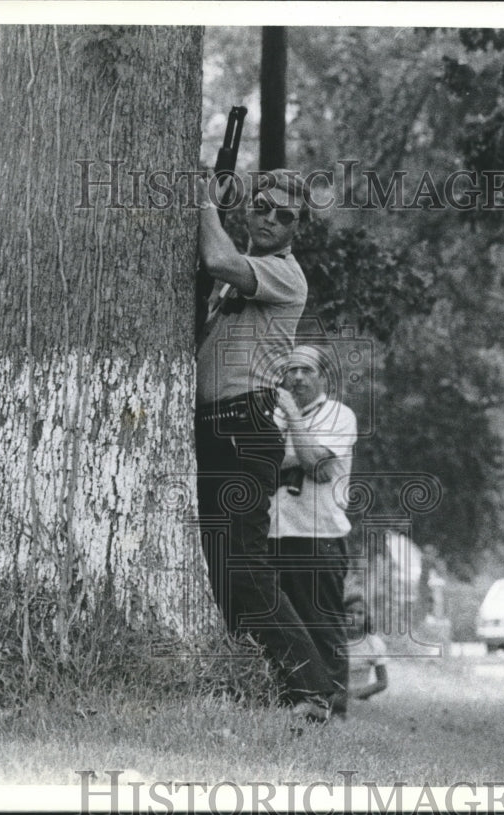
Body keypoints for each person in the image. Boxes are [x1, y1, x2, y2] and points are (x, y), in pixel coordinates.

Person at [194, 169, 332, 723]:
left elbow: (218, 260)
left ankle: (313, 689)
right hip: (213, 426)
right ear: (248, 209)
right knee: (220, 568)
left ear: (298, 229)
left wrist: (204, 205)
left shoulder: (283, 275)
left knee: (245, 565)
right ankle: (254, 686)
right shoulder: (240, 279)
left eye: (286, 216)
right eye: (263, 208)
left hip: (243, 426)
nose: (271, 219)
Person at [269, 344, 358, 717]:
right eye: (292, 371)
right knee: (282, 622)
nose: (299, 378)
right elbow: (253, 465)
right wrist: (293, 457)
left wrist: (294, 424)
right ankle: (296, 698)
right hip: (274, 532)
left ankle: (334, 705)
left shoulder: (339, 415)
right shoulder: (271, 417)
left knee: (322, 622)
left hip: (319, 535)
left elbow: (316, 464)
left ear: (323, 377)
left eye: (307, 371)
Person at [344, 591, 389, 702]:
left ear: (367, 617)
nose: (355, 617)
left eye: (360, 613)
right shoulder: (333, 640)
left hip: (359, 697)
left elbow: (382, 682)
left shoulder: (373, 643)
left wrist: (355, 695)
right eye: (349, 612)